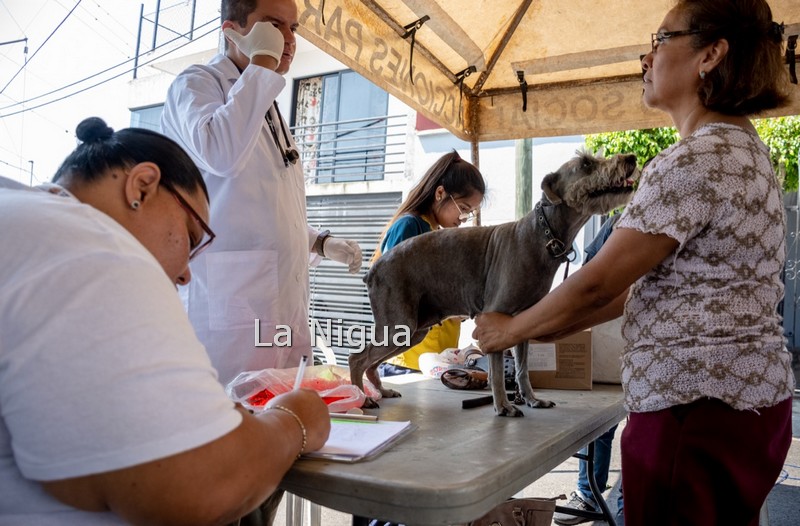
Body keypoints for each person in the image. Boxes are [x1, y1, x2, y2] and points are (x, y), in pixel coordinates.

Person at [474, 1, 795, 524]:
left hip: (693, 411)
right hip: (750, 404)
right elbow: (639, 287)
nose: (645, 58)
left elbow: (598, 284)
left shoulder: (690, 161)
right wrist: (547, 326)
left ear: (710, 55)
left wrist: (507, 331)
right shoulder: (748, 153)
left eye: (660, 40)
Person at [0, 117, 331, 525]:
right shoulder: (93, 249)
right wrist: (296, 420)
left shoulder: (28, 221)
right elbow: (202, 483)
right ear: (141, 187)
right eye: (192, 238)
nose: (186, 274)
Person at [160, 0, 363, 386]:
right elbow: (221, 153)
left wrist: (320, 243)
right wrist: (263, 64)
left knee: (286, 404)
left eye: (293, 29)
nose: (288, 40)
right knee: (237, 407)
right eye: (274, 26)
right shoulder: (196, 84)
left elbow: (263, 209)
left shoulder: (265, 103)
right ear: (232, 31)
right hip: (231, 303)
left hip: (282, 305)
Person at [373, 150, 486, 377]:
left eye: (470, 213)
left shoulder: (436, 233)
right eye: (463, 209)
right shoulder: (409, 227)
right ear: (440, 193)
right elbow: (391, 291)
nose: (464, 219)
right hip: (406, 361)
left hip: (435, 360)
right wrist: (449, 308)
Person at [553, 214, 624, 526]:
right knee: (601, 424)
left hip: (641, 343)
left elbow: (589, 284)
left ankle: (618, 500)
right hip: (612, 341)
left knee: (637, 425)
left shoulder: (636, 220)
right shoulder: (617, 222)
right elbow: (587, 276)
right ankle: (591, 494)